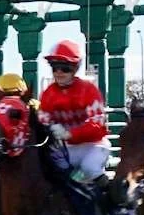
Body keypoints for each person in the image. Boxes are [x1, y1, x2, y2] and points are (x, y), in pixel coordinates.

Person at [37, 40, 111, 182]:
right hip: (66, 149)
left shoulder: (89, 90)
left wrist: (69, 134)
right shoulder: (48, 94)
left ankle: (109, 200)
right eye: (55, 67)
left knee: (90, 168)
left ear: (75, 68)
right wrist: (50, 128)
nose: (59, 72)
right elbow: (43, 120)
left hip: (93, 145)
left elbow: (96, 125)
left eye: (64, 68)